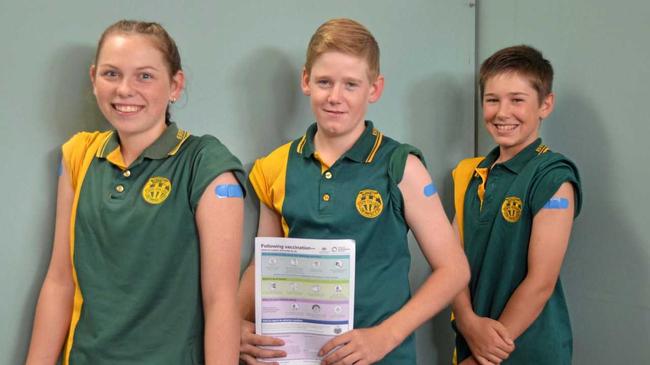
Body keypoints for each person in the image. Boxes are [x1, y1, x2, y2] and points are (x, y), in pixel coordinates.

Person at [238, 18, 469, 365]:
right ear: (306, 81)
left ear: (374, 89)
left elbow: (454, 271)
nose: (335, 97)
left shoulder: (400, 165)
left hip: (382, 357)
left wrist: (383, 337)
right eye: (324, 82)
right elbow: (265, 264)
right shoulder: (275, 166)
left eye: (351, 84)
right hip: (298, 357)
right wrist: (237, 323)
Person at [25, 20, 244, 364]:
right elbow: (59, 281)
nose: (124, 89)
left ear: (175, 85)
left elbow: (221, 301)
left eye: (145, 76)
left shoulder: (207, 163)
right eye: (111, 74)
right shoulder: (78, 155)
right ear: (93, 78)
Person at [450, 45, 582, 365]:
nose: (502, 112)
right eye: (492, 100)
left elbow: (541, 283)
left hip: (527, 350)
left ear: (545, 104)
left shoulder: (553, 177)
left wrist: (485, 355)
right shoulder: (469, 173)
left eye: (517, 100)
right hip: (472, 340)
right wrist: (467, 322)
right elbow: (450, 264)